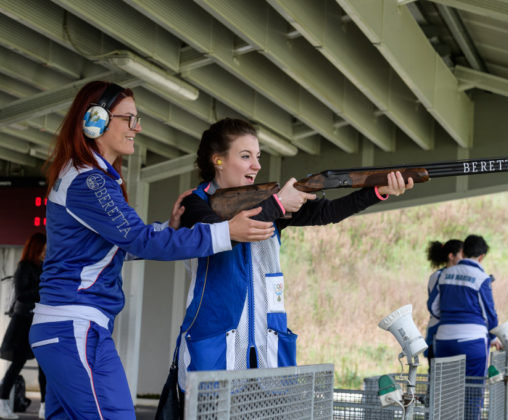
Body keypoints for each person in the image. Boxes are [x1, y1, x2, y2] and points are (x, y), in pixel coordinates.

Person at [29, 82, 275, 420]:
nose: (138, 128)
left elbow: (117, 247)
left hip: (66, 328)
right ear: (95, 121)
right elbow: (140, 241)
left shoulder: (88, 176)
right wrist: (225, 232)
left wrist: (167, 229)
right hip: (75, 328)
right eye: (129, 119)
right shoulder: (91, 182)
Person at [174, 118, 414, 389]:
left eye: (258, 156)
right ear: (217, 160)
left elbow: (327, 212)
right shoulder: (195, 204)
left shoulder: (266, 201)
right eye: (245, 156)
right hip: (217, 349)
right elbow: (220, 232)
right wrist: (277, 204)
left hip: (268, 347)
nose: (257, 165)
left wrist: (377, 192)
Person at [428, 234, 502, 420]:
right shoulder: (481, 277)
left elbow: (434, 307)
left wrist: (449, 318)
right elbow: (489, 314)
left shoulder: (445, 274)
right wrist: (493, 335)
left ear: (463, 251)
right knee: (472, 391)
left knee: (446, 393)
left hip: (444, 340)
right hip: (472, 342)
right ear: (481, 256)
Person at [0, 233, 47, 419]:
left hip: (38, 321)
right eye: (43, 250)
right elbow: (22, 294)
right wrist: (43, 287)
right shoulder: (24, 267)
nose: (45, 253)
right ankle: (2, 403)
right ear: (35, 249)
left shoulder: (43, 267)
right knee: (16, 365)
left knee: (45, 365)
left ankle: (44, 407)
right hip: (23, 322)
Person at [424, 239, 463, 362]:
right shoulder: (439, 275)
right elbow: (433, 306)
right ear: (451, 256)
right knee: (437, 377)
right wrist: (449, 319)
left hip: (452, 332)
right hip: (437, 330)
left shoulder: (461, 275)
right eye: (462, 255)